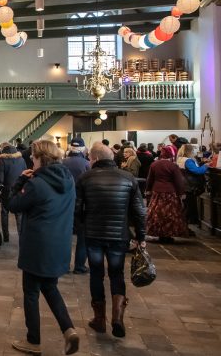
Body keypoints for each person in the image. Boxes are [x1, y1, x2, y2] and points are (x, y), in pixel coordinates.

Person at [8, 140, 79, 356]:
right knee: (50, 287)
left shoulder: (37, 184)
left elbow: (12, 205)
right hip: (59, 243)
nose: (31, 160)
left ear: (40, 158)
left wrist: (20, 180)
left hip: (37, 245)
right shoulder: (68, 179)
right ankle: (69, 330)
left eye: (33, 157)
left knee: (31, 292)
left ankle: (34, 341)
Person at [76, 142, 146, 339]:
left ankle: (99, 319)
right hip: (118, 235)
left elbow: (77, 209)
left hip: (93, 234)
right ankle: (117, 318)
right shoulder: (128, 178)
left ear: (95, 159)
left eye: (90, 158)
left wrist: (82, 228)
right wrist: (141, 236)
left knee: (96, 274)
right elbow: (139, 211)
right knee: (117, 274)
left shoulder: (85, 178)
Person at [146, 146, 186, 243]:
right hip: (170, 192)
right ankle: (168, 234)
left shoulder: (154, 164)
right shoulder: (173, 166)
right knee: (170, 213)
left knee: (157, 212)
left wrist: (148, 189)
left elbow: (150, 179)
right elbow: (178, 181)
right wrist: (181, 193)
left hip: (157, 191)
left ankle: (158, 233)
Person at [62, 139, 90, 274]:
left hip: (64, 203)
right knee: (82, 237)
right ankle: (79, 265)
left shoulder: (62, 163)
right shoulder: (86, 164)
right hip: (82, 204)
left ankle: (64, 265)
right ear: (83, 149)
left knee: (65, 235)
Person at [0, 142, 26, 242]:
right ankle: (21, 237)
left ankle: (6, 237)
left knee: (4, 212)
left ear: (3, 149)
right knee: (19, 214)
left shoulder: (2, 160)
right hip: (19, 190)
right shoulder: (21, 159)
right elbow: (25, 173)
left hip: (7, 190)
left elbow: (0, 179)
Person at [176, 143, 208, 226]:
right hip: (190, 185)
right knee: (189, 208)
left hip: (183, 184)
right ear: (189, 151)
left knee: (186, 206)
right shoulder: (188, 160)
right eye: (193, 150)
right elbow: (197, 171)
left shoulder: (180, 159)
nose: (194, 152)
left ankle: (184, 225)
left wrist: (201, 164)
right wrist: (206, 165)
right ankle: (184, 227)